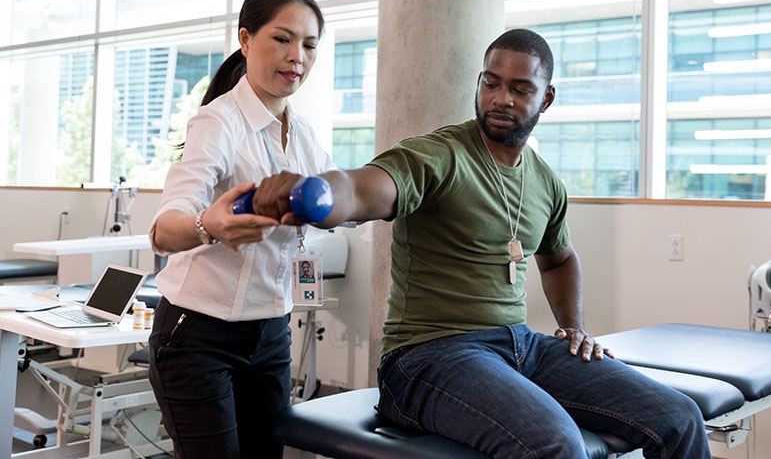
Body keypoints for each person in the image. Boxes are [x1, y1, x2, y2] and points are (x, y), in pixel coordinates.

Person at [250, 28, 712, 459]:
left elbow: (559, 259)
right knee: (556, 445)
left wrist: (575, 328)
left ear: (547, 98)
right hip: (428, 357)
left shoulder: (545, 181)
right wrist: (317, 193)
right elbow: (362, 188)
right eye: (491, 83)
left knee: (679, 416)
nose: (501, 98)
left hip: (520, 348)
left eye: (520, 89)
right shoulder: (438, 155)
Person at [147, 0, 335, 459]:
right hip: (198, 336)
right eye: (282, 39)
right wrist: (208, 225)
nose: (296, 57)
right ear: (246, 40)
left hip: (271, 333)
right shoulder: (218, 123)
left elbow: (341, 202)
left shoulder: (305, 136)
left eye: (309, 45)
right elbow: (164, 230)